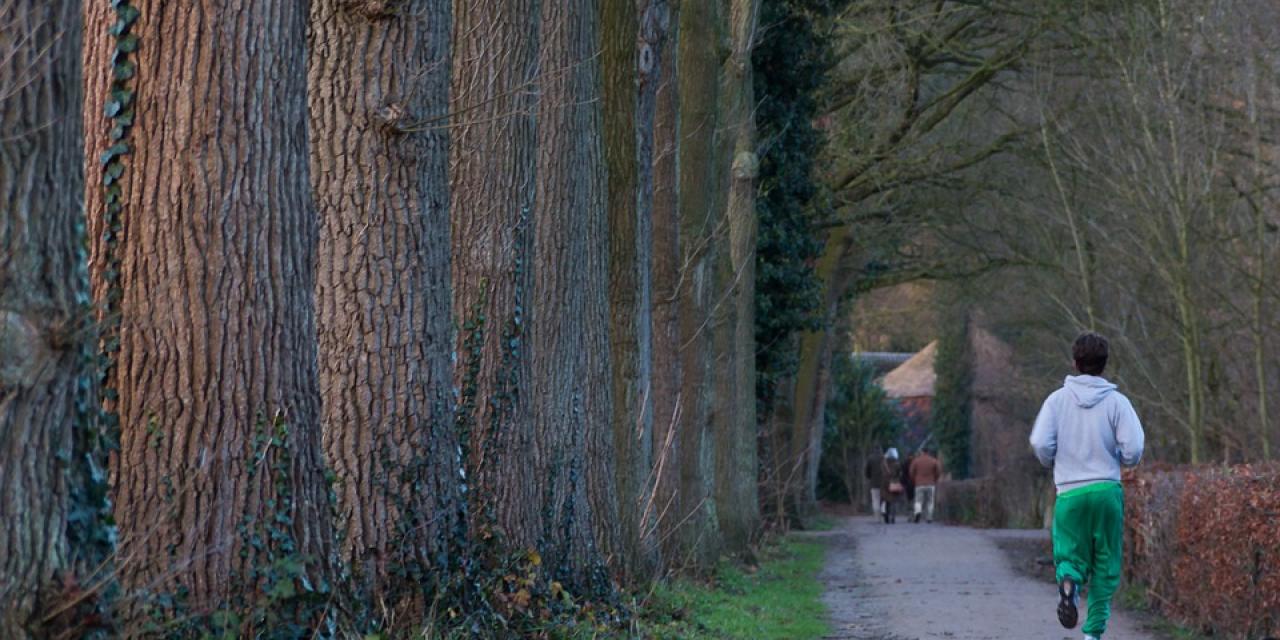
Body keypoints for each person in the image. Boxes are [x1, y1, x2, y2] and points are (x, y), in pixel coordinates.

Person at [1029, 333, 1144, 640]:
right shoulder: (1118, 402)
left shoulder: (1056, 401)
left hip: (1069, 491)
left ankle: (1069, 582)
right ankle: (1092, 634)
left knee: (1069, 554)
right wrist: (1119, 458)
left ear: (1074, 363)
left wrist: (1050, 460)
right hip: (1107, 490)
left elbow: (1040, 442)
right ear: (1105, 365)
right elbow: (1133, 449)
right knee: (1106, 563)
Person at [909, 447, 942, 523]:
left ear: (922, 452)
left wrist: (914, 479)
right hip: (931, 483)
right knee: (930, 501)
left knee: (918, 500)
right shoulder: (933, 461)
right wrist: (935, 478)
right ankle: (929, 517)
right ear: (928, 452)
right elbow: (938, 471)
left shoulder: (916, 461)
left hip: (919, 483)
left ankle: (918, 512)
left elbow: (911, 471)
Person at [879, 448, 904, 524]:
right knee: (894, 501)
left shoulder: (883, 464)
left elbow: (881, 473)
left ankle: (886, 516)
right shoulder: (897, 464)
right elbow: (900, 474)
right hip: (894, 483)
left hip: (884, 483)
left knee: (886, 501)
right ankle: (893, 517)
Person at [864, 449, 886, 517]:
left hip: (874, 482)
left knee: (875, 499)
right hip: (883, 482)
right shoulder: (883, 458)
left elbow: (867, 470)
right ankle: (883, 510)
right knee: (884, 498)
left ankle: (877, 514)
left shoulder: (870, 458)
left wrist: (869, 476)